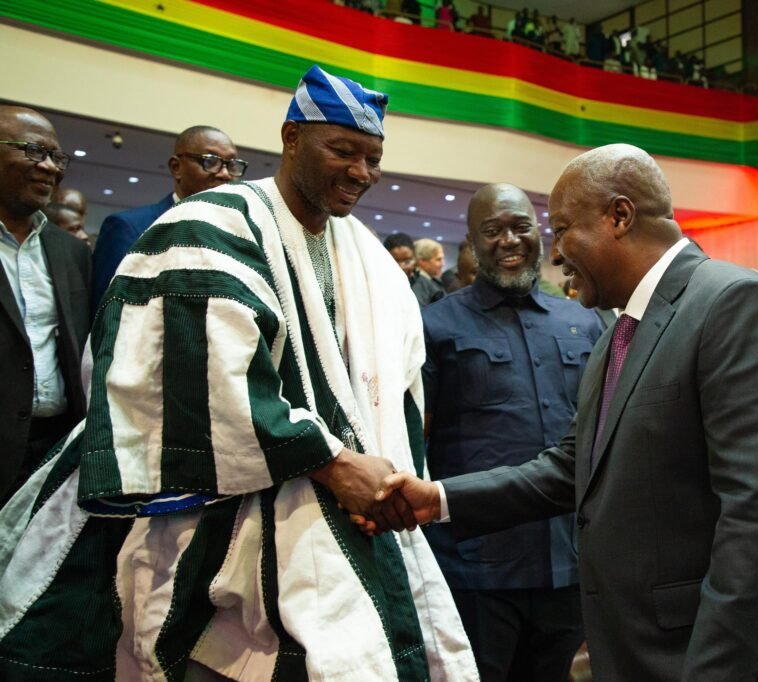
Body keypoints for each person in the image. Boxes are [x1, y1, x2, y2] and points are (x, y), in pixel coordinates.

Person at [0, 65, 477, 680]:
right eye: (343, 151)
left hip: (350, 510)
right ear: (291, 138)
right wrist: (336, 464)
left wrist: (385, 485)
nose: (361, 172)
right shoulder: (211, 224)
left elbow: (399, 385)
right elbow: (204, 382)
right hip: (211, 519)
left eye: (373, 159)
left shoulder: (369, 257)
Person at [363, 143, 758, 681]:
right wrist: (439, 499)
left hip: (723, 659)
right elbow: (573, 467)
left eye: (563, 229)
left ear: (619, 217)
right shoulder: (619, 334)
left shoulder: (736, 305)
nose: (555, 254)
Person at [421, 183, 600, 681]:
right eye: (492, 230)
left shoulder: (583, 321)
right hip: (477, 568)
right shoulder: (434, 325)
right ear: (472, 242)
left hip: (566, 564)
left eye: (521, 227)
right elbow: (417, 439)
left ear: (540, 233)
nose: (509, 240)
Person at [0, 106, 92, 504]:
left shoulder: (72, 252)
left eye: (56, 156)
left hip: (55, 450)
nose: (51, 167)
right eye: (34, 151)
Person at [91, 125, 246, 311]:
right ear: (176, 167)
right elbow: (108, 309)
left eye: (232, 164)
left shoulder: (239, 235)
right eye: (211, 161)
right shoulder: (129, 227)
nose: (225, 174)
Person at [413, 237, 446, 306]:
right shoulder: (418, 283)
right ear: (422, 261)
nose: (443, 264)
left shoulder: (429, 281)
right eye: (438, 259)